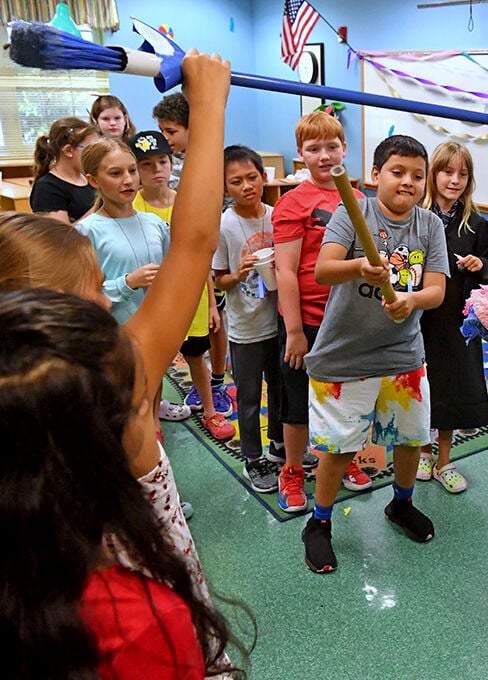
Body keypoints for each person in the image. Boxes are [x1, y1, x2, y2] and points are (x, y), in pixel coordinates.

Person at [0, 49, 243, 677]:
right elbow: (196, 239)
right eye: (92, 288)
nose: (104, 297)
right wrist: (208, 101)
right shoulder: (116, 373)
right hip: (144, 610)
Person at [300, 134, 449, 573]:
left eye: (418, 176)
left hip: (403, 354)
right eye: (397, 172)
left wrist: (412, 301)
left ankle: (400, 504)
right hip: (345, 357)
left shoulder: (429, 226)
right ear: (376, 175)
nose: (408, 182)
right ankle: (319, 523)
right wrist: (359, 267)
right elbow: (323, 270)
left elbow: (437, 290)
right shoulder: (355, 211)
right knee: (339, 448)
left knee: (409, 438)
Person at [271, 111, 370, 514]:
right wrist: (294, 331)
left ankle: (342, 458)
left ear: (345, 149)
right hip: (307, 321)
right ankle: (293, 469)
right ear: (300, 155)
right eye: (314, 149)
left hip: (348, 321)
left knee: (347, 398)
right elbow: (286, 271)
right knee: (297, 403)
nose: (325, 156)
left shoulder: (360, 199)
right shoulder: (293, 203)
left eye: (332, 146)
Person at [418, 141, 488, 492]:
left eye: (462, 174)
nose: (454, 180)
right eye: (447, 171)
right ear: (433, 174)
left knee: (453, 387)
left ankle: (444, 459)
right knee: (420, 388)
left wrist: (480, 264)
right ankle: (422, 450)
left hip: (457, 322)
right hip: (419, 320)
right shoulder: (417, 218)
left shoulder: (477, 225)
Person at [154, 91, 233, 418]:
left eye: (171, 131)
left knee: (216, 321)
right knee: (188, 324)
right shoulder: (168, 165)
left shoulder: (209, 159)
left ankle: (217, 379)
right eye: (163, 131)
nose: (166, 139)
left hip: (210, 251)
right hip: (183, 255)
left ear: (191, 127)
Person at [213, 145, 284, 493]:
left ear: (263, 176)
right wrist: (238, 275)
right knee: (250, 395)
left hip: (280, 320)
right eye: (235, 181)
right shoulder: (225, 225)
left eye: (252, 177)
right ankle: (253, 458)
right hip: (245, 327)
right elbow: (218, 279)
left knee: (282, 386)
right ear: (225, 187)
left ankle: (279, 444)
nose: (246, 186)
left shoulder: (277, 215)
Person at [128, 129, 192, 425]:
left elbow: (196, 250)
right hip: (146, 300)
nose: (157, 170)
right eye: (146, 164)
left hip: (187, 293)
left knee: (190, 350)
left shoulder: (183, 201)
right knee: (147, 360)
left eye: (163, 162)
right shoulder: (132, 209)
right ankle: (149, 420)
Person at [77, 137, 170, 325]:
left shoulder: (155, 223)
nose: (128, 180)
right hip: (115, 332)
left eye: (132, 171)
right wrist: (127, 283)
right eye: (116, 174)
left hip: (159, 328)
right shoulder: (87, 231)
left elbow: (170, 274)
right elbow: (80, 296)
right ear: (93, 180)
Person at [29, 116, 99, 223]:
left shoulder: (88, 178)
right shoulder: (46, 188)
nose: (96, 155)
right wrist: (101, 206)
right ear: (68, 150)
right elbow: (62, 237)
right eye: (90, 149)